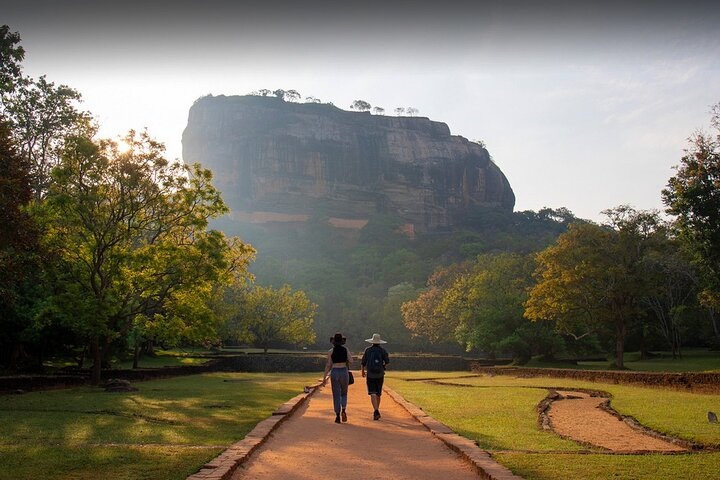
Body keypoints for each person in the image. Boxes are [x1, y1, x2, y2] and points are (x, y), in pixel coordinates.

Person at [322, 332, 353, 424]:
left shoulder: (331, 351)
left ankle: (337, 416)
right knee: (344, 393)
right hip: (343, 370)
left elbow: (328, 365)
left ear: (334, 341)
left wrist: (324, 377)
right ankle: (343, 409)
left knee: (336, 394)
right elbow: (351, 361)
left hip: (335, 371)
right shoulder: (345, 349)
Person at [361, 333, 389, 420]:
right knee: (378, 394)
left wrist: (362, 371)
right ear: (379, 342)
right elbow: (387, 361)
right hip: (380, 374)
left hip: (370, 374)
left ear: (372, 341)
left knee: (372, 393)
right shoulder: (382, 350)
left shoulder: (368, 350)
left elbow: (363, 362)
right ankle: (377, 409)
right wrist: (383, 367)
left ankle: (376, 410)